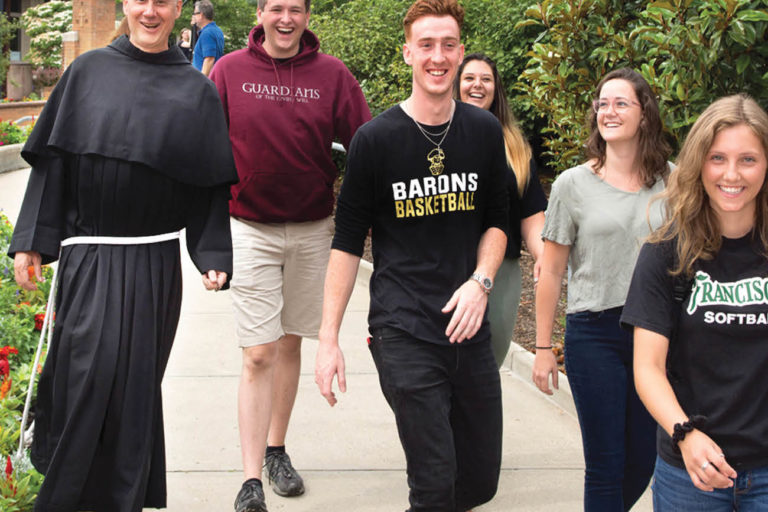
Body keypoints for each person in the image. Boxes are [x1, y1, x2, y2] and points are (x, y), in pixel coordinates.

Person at [7, 0, 238, 509]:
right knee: (86, 377)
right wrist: (32, 239)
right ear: (126, 5)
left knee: (133, 391)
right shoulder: (86, 72)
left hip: (153, 264)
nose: (150, 11)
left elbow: (208, 187)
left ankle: (119, 499)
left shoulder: (196, 92)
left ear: (178, 8)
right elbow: (54, 165)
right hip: (91, 256)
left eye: (162, 1)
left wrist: (211, 250)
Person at [315, 0, 510, 510]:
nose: (437, 56)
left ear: (461, 53)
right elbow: (347, 242)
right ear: (408, 53)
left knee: (480, 482)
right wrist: (328, 339)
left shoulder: (485, 133)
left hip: (469, 326)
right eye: (426, 45)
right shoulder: (374, 141)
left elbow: (498, 220)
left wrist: (481, 281)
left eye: (448, 45)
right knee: (434, 480)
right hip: (403, 329)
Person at [209, 0, 371, 510]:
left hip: (312, 228)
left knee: (290, 342)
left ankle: (277, 449)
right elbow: (206, 150)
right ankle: (250, 479)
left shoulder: (332, 75)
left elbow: (366, 143)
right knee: (258, 351)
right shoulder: (230, 71)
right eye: (275, 8)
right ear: (259, 12)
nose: (286, 19)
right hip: (249, 227)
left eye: (295, 9)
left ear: (306, 15)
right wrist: (208, 237)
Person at [532, 67, 672, 511]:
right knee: (606, 463)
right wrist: (541, 347)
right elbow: (551, 271)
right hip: (595, 333)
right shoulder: (573, 184)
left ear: (644, 114)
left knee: (644, 459)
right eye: (602, 103)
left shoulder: (675, 181)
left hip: (656, 335)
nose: (608, 112)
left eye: (621, 103)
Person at [622, 94, 768, 510]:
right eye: (717, 158)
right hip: (691, 475)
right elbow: (647, 368)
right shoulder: (667, 251)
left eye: (748, 160)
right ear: (699, 163)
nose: (732, 174)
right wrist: (684, 434)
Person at [455, 52, 546, 367]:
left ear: (496, 89)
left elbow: (531, 214)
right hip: (446, 264)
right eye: (469, 78)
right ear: (456, 84)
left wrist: (543, 257)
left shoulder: (517, 149)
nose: (477, 85)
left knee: (485, 367)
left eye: (486, 79)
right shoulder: (436, 138)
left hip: (501, 275)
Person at [192, 0, 224, 76]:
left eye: (195, 14)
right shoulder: (217, 30)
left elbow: (209, 59)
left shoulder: (207, 33)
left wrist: (202, 83)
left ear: (201, 15)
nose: (193, 16)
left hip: (204, 81)